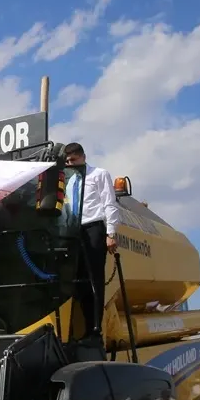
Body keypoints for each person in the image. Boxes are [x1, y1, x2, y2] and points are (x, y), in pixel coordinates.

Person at [62, 142, 120, 340]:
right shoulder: (69, 181)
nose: (71, 164)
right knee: (79, 280)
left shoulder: (99, 174)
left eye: (74, 160)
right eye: (68, 161)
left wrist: (111, 233)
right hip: (73, 229)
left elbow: (109, 204)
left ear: (83, 157)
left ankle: (95, 327)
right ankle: (80, 328)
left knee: (94, 278)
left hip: (93, 226)